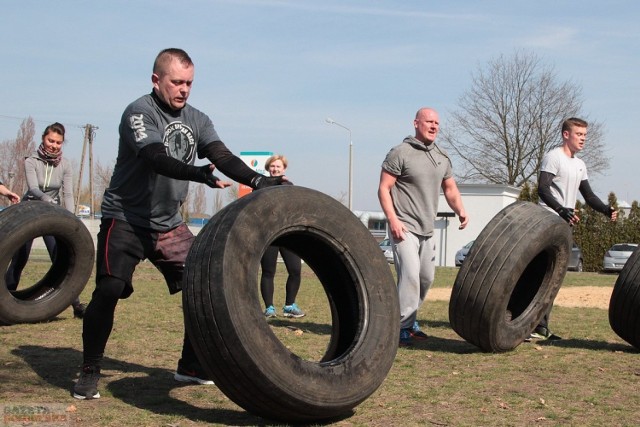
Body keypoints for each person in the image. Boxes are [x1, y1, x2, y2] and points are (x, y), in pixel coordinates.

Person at [73, 48, 288, 400]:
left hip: (169, 224)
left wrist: (259, 181)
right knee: (109, 290)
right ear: (156, 80)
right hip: (126, 218)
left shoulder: (198, 119)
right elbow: (155, 158)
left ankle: (190, 366)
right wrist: (198, 174)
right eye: (177, 82)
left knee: (201, 285)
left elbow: (222, 155)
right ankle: (89, 370)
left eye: (189, 82)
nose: (184, 89)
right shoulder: (139, 112)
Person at [378, 107, 468, 347]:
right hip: (404, 225)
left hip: (427, 229)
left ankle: (409, 320)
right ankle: (401, 327)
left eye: (437, 123)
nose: (434, 126)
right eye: (429, 121)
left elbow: (450, 188)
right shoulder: (400, 153)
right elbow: (384, 188)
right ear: (416, 123)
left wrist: (460, 211)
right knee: (409, 275)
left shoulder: (441, 156)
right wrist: (393, 220)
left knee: (426, 278)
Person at [534, 117, 617, 340]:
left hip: (564, 224)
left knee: (555, 275)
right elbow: (542, 189)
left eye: (584, 135)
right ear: (566, 134)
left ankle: (541, 326)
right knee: (538, 272)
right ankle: (524, 321)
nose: (583, 139)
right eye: (579, 134)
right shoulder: (554, 157)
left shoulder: (580, 165)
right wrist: (561, 209)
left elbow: (588, 196)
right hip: (547, 219)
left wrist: (606, 209)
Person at [4, 123, 85, 318]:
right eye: (50, 141)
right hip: (29, 211)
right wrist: (46, 199)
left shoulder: (65, 165)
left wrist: (71, 217)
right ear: (43, 139)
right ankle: (5, 304)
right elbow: (32, 188)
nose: (54, 145)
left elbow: (67, 193)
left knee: (61, 256)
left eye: (58, 142)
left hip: (52, 215)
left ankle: (76, 305)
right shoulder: (31, 161)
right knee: (20, 258)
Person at [259, 155, 305, 318]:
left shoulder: (288, 185)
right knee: (268, 272)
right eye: (272, 166)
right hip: (268, 235)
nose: (275, 169)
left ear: (284, 169)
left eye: (278, 166)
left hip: (287, 235)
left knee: (295, 270)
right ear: (268, 168)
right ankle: (269, 308)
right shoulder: (260, 185)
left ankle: (289, 305)